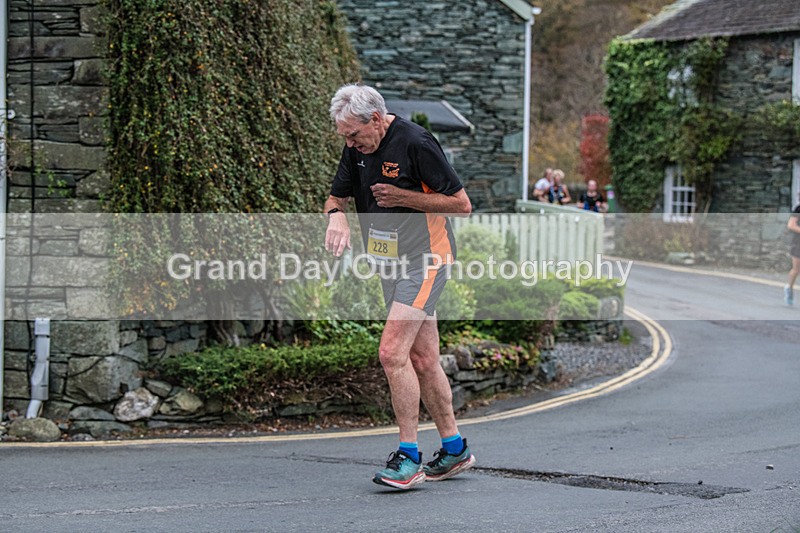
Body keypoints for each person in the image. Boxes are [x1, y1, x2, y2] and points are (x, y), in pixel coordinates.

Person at [323, 83, 475, 490]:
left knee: (392, 352)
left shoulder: (416, 142)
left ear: (375, 119)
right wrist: (336, 216)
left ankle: (409, 456)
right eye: (345, 137)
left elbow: (461, 204)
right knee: (423, 359)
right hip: (388, 264)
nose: (350, 144)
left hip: (425, 260)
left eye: (354, 134)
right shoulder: (356, 147)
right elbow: (336, 196)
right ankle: (455, 447)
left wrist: (404, 197)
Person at [785, 194, 800, 306]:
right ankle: (789, 288)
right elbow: (791, 225)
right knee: (796, 269)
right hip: (798, 242)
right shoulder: (798, 208)